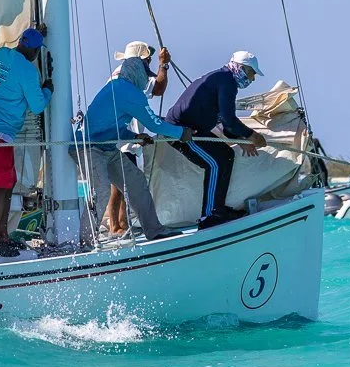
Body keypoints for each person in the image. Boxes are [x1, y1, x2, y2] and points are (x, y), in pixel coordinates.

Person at [78, 57, 188, 242]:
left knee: (136, 181)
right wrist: (181, 132)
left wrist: (134, 137)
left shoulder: (117, 87)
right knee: (102, 189)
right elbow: (155, 125)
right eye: (145, 75)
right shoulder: (129, 92)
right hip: (88, 148)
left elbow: (108, 126)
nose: (146, 81)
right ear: (137, 73)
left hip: (106, 147)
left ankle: (154, 230)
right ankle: (84, 241)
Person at [0, 27, 51, 257]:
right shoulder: (28, 71)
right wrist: (47, 90)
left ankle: (1, 235)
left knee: (6, 183)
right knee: (0, 186)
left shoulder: (1, 54)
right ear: (34, 50)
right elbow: (38, 106)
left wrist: (36, 34)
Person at [165, 50, 267, 229]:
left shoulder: (224, 79)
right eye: (252, 74)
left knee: (227, 154)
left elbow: (226, 124)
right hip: (180, 131)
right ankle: (208, 216)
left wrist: (242, 140)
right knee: (215, 163)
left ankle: (217, 209)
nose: (252, 80)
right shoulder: (226, 81)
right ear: (242, 68)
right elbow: (229, 119)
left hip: (196, 130)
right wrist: (253, 136)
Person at [107, 42, 172, 233]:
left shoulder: (126, 74)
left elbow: (156, 87)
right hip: (122, 137)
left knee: (122, 183)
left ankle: (121, 222)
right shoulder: (126, 76)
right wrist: (163, 65)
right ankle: (115, 225)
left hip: (127, 138)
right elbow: (159, 89)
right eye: (147, 59)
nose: (149, 62)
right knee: (120, 185)